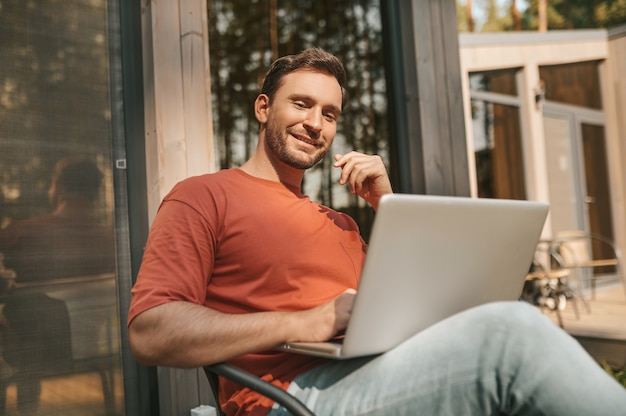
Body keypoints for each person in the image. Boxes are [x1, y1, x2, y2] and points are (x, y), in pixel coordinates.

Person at [127, 48, 626, 415]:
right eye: (301, 104)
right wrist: (303, 321)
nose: (315, 123)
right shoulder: (204, 195)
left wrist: (387, 203)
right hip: (288, 399)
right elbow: (151, 332)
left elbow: (420, 304)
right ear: (263, 109)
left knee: (508, 319)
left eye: (329, 114)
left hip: (379, 374)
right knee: (511, 336)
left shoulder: (341, 221)